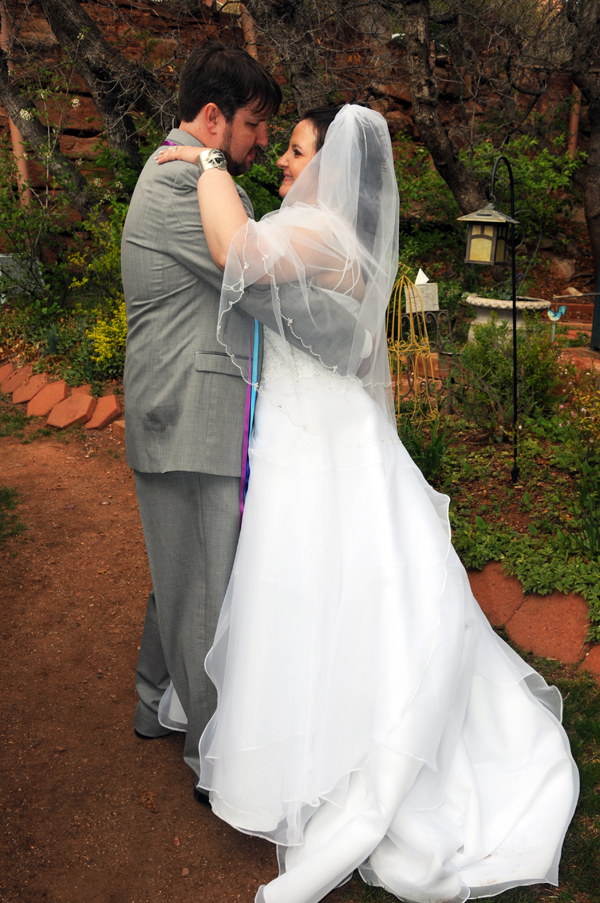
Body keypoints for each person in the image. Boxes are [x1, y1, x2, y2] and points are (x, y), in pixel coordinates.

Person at [156, 105, 578, 903]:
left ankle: (325, 757)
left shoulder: (316, 233)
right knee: (320, 595)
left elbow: (234, 251)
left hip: (314, 446)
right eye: (281, 147)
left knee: (318, 594)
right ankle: (310, 744)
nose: (282, 160)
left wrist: (205, 161)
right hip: (313, 434)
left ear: (333, 170)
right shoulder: (321, 232)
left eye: (297, 150)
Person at [121, 45, 368, 792]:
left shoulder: (191, 172)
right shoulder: (181, 186)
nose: (263, 142)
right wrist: (354, 340)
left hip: (186, 407)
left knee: (186, 570)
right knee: (203, 585)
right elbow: (264, 292)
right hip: (190, 411)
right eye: (257, 125)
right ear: (212, 118)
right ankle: (211, 758)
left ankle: (150, 702)